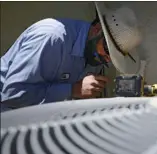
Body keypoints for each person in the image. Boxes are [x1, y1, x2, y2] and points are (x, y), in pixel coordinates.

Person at [0, 2, 142, 111]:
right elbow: (12, 95)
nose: (107, 59)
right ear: (97, 29)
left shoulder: (97, 54)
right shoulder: (51, 37)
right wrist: (73, 89)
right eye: (108, 50)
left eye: (114, 56)